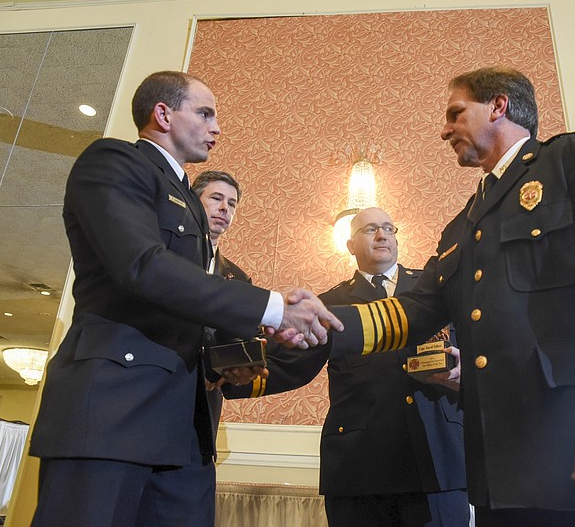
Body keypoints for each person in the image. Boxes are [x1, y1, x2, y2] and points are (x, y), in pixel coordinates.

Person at [310, 67, 575, 526]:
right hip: (511, 475)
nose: (444, 130)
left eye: (456, 113)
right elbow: (415, 310)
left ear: (498, 106)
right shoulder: (462, 226)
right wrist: (317, 320)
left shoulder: (573, 160)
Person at [28, 71, 341, 527]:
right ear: (162, 114)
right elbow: (143, 266)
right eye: (205, 113)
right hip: (111, 416)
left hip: (185, 429)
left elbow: (188, 312)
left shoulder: (189, 204)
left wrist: (253, 347)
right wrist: (272, 306)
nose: (217, 128)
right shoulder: (114, 161)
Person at [225, 207, 470, 527]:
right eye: (370, 230)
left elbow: (480, 346)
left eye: (388, 228)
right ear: (350, 245)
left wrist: (473, 374)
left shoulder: (435, 289)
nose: (382, 235)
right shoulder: (329, 303)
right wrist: (227, 377)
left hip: (438, 460)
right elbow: (291, 366)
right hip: (361, 467)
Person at [191, 169, 259, 436]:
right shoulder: (167, 258)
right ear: (194, 202)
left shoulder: (239, 278)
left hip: (206, 399)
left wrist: (234, 367)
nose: (224, 208)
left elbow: (241, 338)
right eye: (216, 199)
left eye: (231, 204)